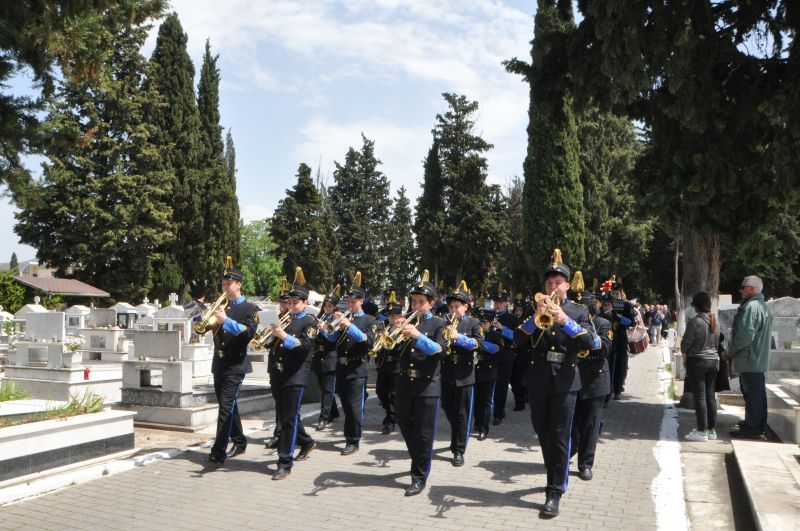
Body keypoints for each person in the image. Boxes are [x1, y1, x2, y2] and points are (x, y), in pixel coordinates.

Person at [515, 249, 596, 518]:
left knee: (560, 436)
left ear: (567, 285)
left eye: (557, 282)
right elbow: (518, 340)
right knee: (542, 431)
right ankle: (555, 471)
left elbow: (589, 342)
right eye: (548, 283)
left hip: (565, 381)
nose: (552, 287)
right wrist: (534, 318)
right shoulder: (534, 310)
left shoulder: (579, 311)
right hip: (538, 380)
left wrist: (564, 320)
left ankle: (554, 491)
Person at [395, 270, 447, 496]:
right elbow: (390, 349)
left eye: (421, 302)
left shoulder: (438, 324)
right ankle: (418, 459)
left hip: (428, 384)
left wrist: (417, 336)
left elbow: (439, 351)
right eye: (413, 301)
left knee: (424, 432)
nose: (416, 305)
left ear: (431, 303)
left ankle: (418, 476)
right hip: (405, 382)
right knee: (406, 425)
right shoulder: (406, 322)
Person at [268, 267, 319, 479]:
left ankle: (284, 462)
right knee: (287, 415)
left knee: (288, 420)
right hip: (278, 373)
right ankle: (306, 442)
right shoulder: (284, 318)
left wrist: (281, 334)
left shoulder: (310, 322)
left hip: (296, 375)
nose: (291, 306)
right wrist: (271, 335)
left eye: (295, 302)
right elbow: (272, 344)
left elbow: (304, 347)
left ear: (305, 303)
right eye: (289, 302)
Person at [208, 258, 259, 465]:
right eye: (223, 284)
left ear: (238, 284)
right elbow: (209, 328)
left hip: (236, 365)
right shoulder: (222, 307)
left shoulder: (250, 308)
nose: (225, 287)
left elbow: (248, 334)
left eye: (228, 284)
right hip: (219, 363)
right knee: (228, 405)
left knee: (225, 408)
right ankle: (239, 440)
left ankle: (218, 451)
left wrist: (225, 321)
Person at [323, 272, 376, 455]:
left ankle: (353, 440)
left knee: (353, 407)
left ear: (362, 301)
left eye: (354, 302)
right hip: (341, 366)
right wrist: (328, 327)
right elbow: (331, 339)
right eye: (348, 302)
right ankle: (351, 436)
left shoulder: (369, 320)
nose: (350, 305)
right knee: (345, 404)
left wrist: (348, 325)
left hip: (357, 367)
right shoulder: (342, 318)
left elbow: (366, 340)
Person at [569, 273, 612, 481]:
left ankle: (585, 464)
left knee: (591, 425)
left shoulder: (603, 323)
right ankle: (568, 452)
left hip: (595, 380)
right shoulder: (566, 322)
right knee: (571, 422)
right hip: (572, 378)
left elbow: (605, 348)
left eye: (584, 307)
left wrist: (588, 336)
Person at [440, 281, 483, 467]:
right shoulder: (443, 323)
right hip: (447, 371)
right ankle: (458, 430)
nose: (453, 310)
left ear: (465, 306)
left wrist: (460, 338)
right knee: (447, 407)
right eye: (451, 306)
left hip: (465, 373)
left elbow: (479, 344)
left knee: (462, 414)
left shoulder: (473, 323)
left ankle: (458, 449)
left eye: (457, 306)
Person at [729, 275, 773, 439]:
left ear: (752, 289)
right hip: (757, 359)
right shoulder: (762, 306)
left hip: (750, 359)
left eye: (743, 287)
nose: (740, 290)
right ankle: (757, 424)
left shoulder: (751, 307)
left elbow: (745, 335)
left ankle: (752, 428)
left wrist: (731, 350)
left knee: (753, 394)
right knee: (757, 393)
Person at [681, 292, 720, 442]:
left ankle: (701, 430)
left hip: (697, 361)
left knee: (700, 397)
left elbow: (686, 343)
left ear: (696, 306)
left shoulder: (695, 322)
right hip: (713, 362)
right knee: (710, 396)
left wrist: (685, 353)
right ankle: (711, 429)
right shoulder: (716, 321)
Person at [264, 278, 290, 450]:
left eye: (286, 302)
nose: (283, 305)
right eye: (281, 301)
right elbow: (268, 343)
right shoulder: (277, 318)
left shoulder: (292, 320)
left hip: (288, 365)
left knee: (288, 404)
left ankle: (286, 435)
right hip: (275, 364)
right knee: (278, 402)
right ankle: (278, 433)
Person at [312, 285, 342, 431]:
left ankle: (323, 417)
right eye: (325, 306)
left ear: (335, 307)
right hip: (318, 356)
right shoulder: (320, 317)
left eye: (330, 306)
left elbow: (332, 338)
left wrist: (323, 329)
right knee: (323, 388)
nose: (326, 309)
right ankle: (333, 412)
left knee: (328, 389)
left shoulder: (337, 319)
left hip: (331, 356)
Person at [375, 291, 403, 434]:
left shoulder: (403, 327)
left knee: (393, 394)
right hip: (383, 364)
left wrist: (398, 331)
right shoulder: (382, 324)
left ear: (400, 315)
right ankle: (391, 413)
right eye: (389, 315)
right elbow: (375, 343)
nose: (391, 318)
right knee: (380, 392)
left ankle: (390, 420)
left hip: (396, 365)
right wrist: (379, 337)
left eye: (394, 316)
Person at [491, 285, 518, 425]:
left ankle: (498, 413)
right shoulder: (489, 316)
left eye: (501, 302)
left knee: (501, 386)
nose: (498, 304)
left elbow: (516, 336)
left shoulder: (512, 318)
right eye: (496, 302)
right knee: (490, 385)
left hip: (506, 356)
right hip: (491, 355)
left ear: (506, 303)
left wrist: (502, 328)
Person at [474, 308, 500, 440]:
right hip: (475, 370)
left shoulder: (494, 335)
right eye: (480, 322)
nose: (481, 325)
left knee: (486, 401)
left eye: (484, 323)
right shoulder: (474, 334)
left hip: (489, 371)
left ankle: (484, 428)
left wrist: (477, 343)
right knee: (476, 400)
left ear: (489, 323)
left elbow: (495, 348)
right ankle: (477, 423)